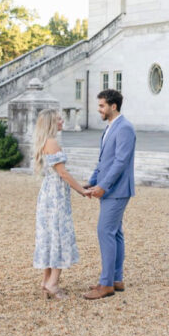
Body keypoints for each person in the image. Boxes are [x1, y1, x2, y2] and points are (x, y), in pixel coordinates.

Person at [83, 88, 137, 300]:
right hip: (110, 188)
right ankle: (116, 279)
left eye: (102, 106)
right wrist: (92, 182)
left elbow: (121, 162)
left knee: (105, 232)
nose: (99, 110)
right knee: (115, 233)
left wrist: (103, 186)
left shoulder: (125, 128)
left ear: (113, 106)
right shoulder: (110, 128)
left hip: (117, 190)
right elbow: (104, 161)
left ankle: (106, 285)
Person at [32, 104, 86, 301]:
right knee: (59, 235)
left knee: (50, 235)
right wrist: (81, 189)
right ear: (51, 124)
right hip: (56, 195)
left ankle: (46, 281)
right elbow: (62, 172)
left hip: (48, 193)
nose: (62, 121)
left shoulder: (44, 142)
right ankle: (53, 283)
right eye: (59, 119)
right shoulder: (52, 143)